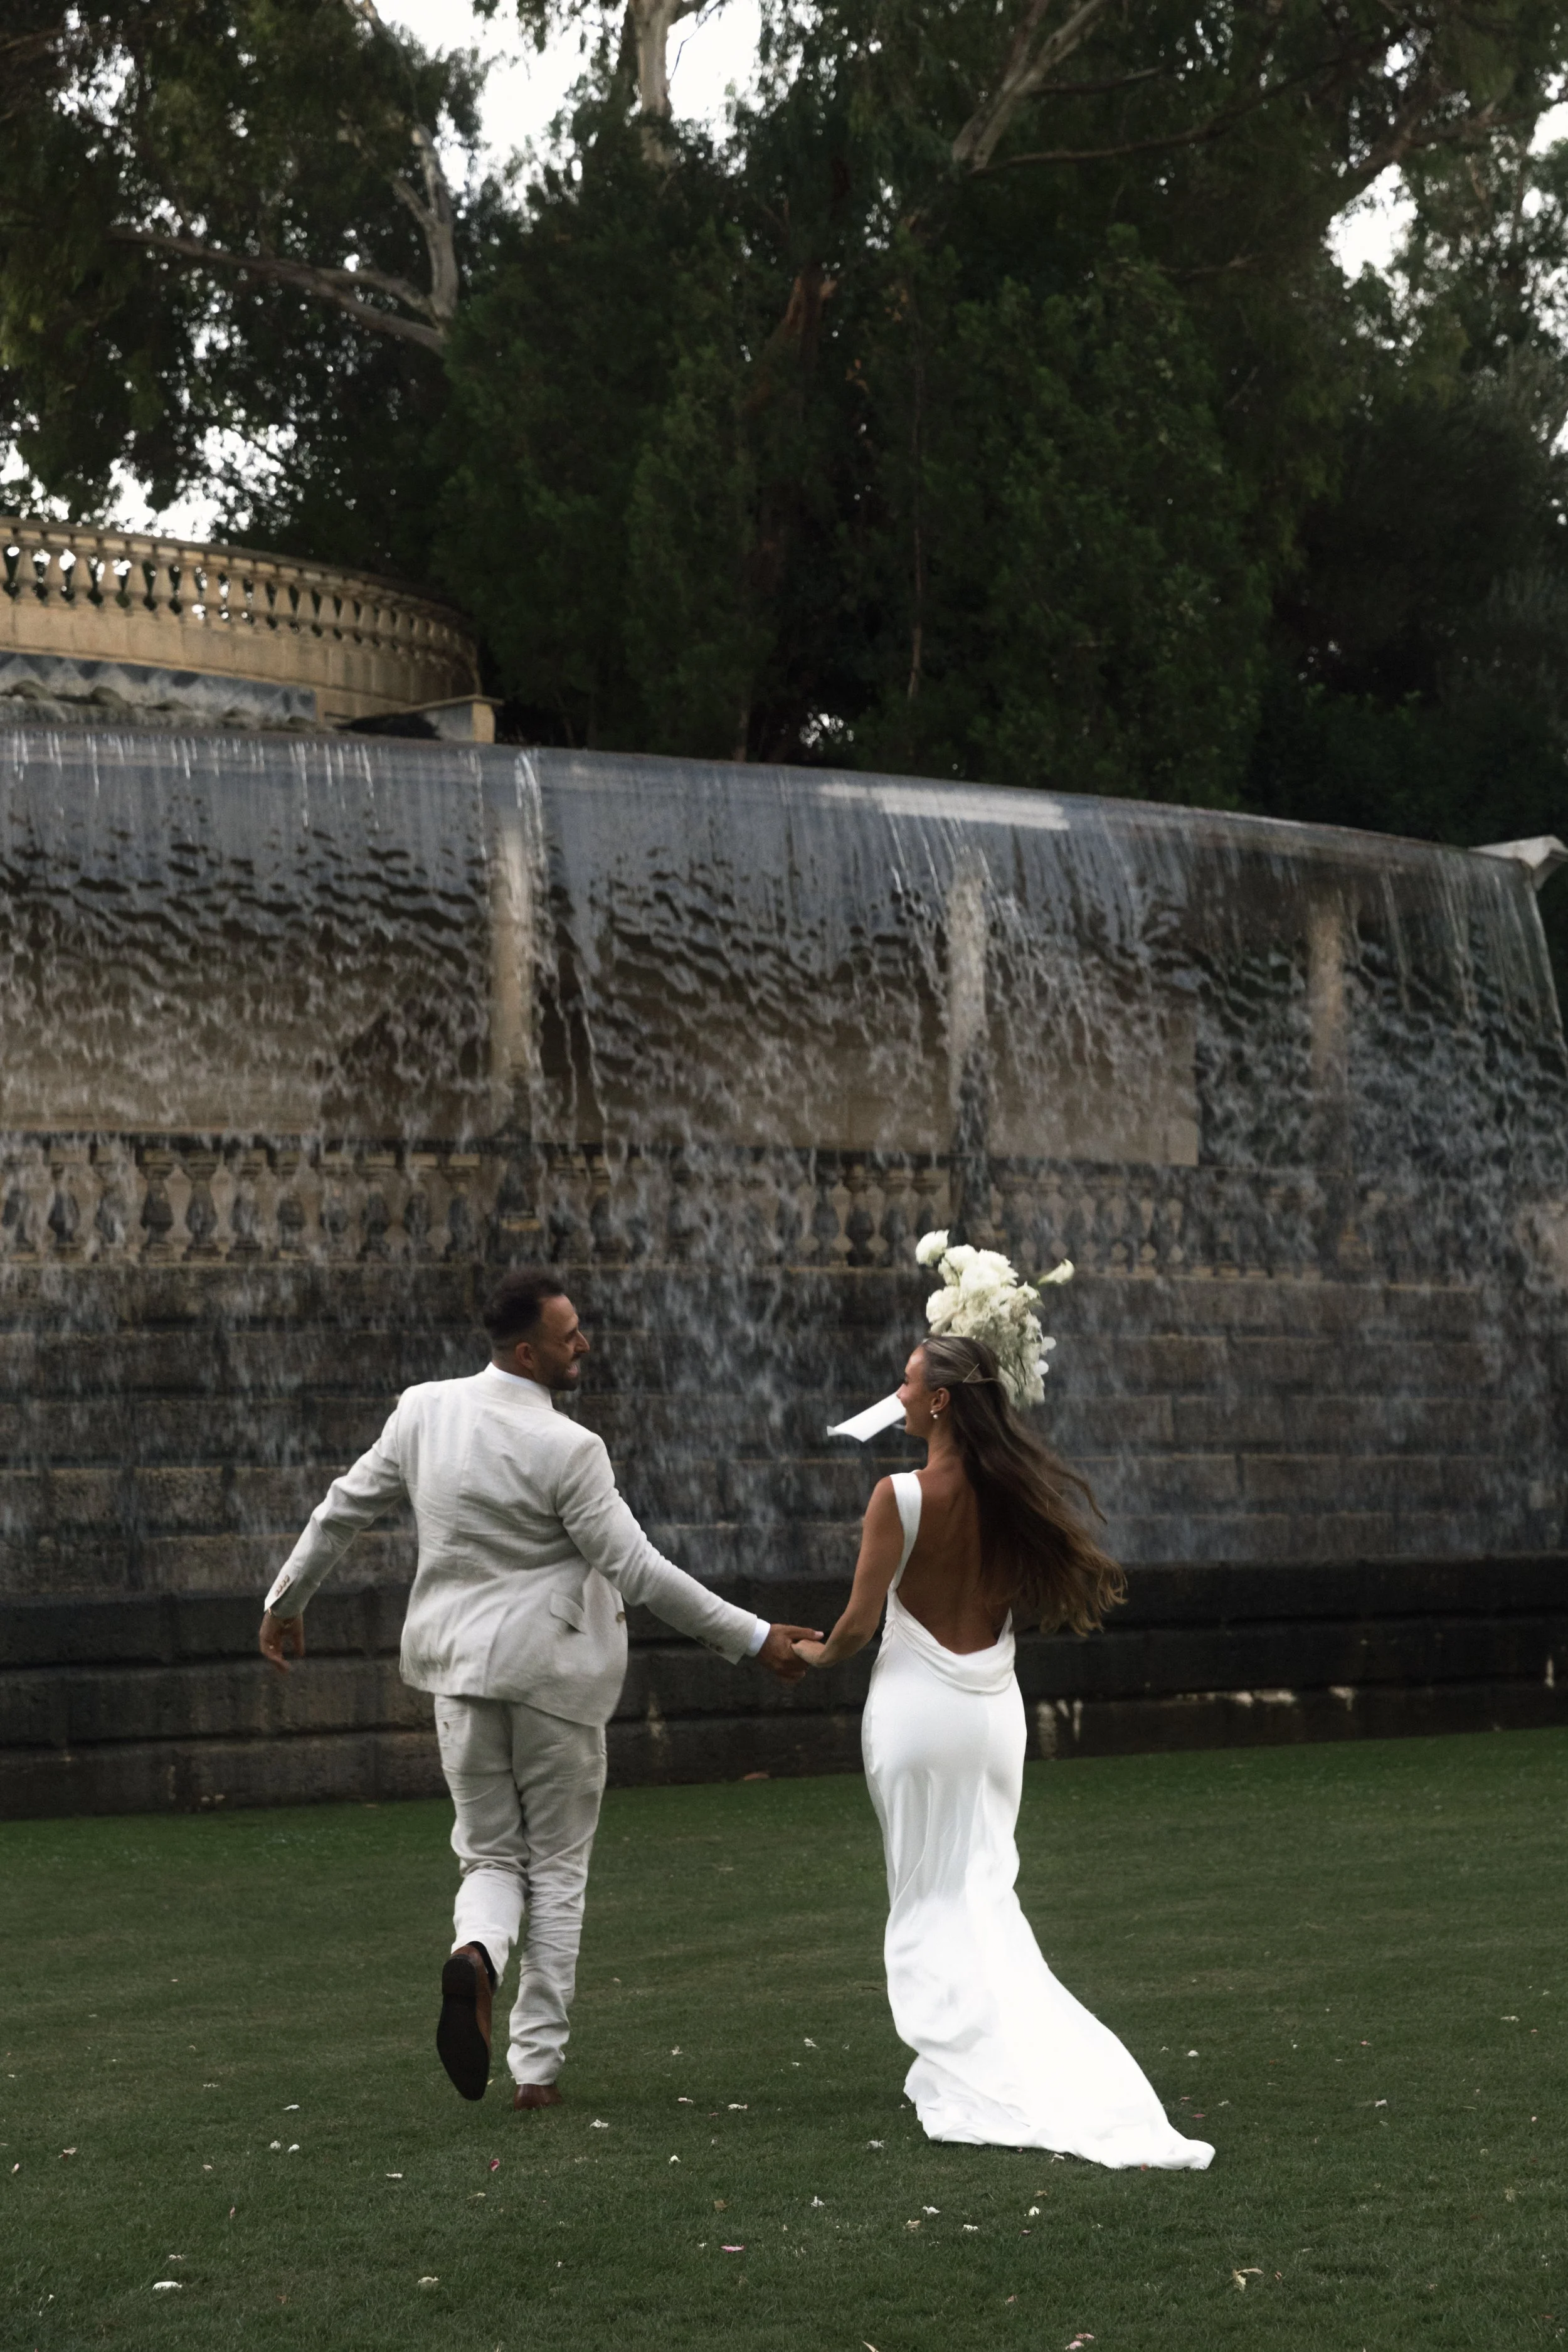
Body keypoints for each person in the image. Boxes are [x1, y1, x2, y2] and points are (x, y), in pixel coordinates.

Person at [258, 1266, 818, 2112]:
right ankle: (535, 2070)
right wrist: (754, 1638)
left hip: (458, 1674)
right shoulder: (570, 1447)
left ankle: (477, 1952)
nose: (584, 1343)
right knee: (556, 1863)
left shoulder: (423, 1410)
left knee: (488, 1853)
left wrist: (286, 1601)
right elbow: (638, 1569)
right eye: (569, 1335)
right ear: (528, 1352)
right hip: (553, 1681)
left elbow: (342, 1508)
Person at [793, 1331, 1214, 2169]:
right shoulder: (1014, 1494)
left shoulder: (899, 1496)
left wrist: (800, 1654)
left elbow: (854, 1629)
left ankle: (975, 2060)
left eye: (909, 1383)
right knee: (985, 1888)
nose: (900, 1395)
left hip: (916, 1714)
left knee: (926, 1893)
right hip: (993, 1717)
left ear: (942, 1399)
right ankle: (984, 2052)